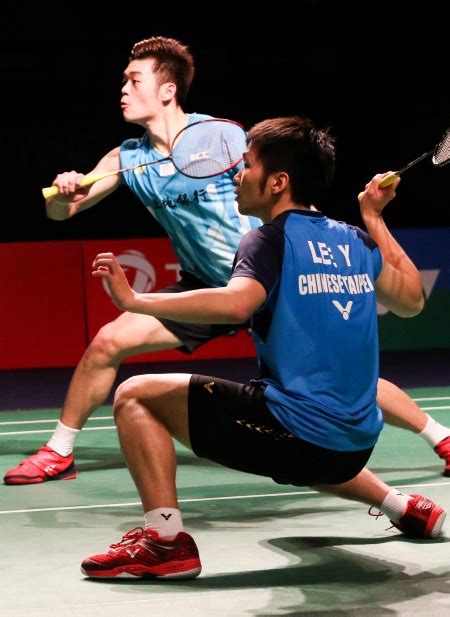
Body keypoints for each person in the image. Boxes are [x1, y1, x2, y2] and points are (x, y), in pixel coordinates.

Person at [4, 38, 450, 486]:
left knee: (330, 377)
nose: (122, 88)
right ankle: (58, 451)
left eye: (133, 79)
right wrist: (65, 195)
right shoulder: (128, 159)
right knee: (107, 342)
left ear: (167, 90)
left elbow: (282, 184)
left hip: (272, 279)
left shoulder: (218, 138)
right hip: (211, 288)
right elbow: (67, 211)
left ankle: (439, 436)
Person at [80, 116, 446, 579]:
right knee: (307, 425)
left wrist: (136, 301)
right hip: (355, 446)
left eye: (246, 165)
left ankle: (164, 541)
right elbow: (412, 300)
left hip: (302, 438)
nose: (236, 174)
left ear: (278, 182)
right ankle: (400, 505)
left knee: (135, 395)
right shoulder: (355, 239)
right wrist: (374, 218)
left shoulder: (267, 240)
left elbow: (237, 305)